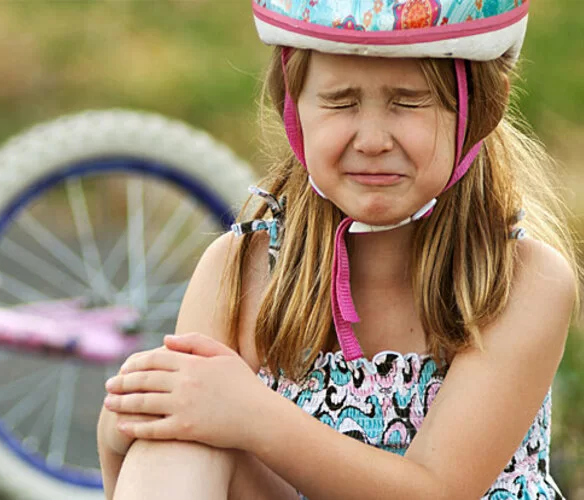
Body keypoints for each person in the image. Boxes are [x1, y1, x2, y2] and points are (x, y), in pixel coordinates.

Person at [97, 1, 581, 498]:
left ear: (481, 109)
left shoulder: (519, 282)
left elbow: (437, 491)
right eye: (340, 101)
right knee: (182, 432)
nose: (371, 140)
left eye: (408, 101)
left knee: (205, 417)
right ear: (293, 105)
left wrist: (250, 414)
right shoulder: (240, 272)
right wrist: (124, 433)